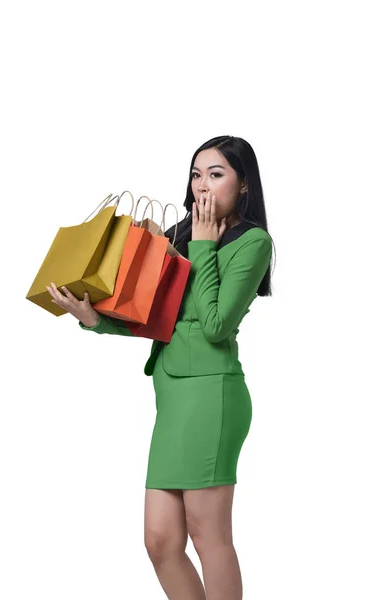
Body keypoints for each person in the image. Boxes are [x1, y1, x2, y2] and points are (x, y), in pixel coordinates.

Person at [46, 135, 274, 600]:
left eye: (216, 174)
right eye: (196, 174)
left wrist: (204, 247)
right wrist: (96, 321)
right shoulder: (181, 235)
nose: (202, 187)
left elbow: (214, 326)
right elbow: (159, 320)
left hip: (213, 397)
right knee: (161, 541)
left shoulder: (252, 243)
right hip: (173, 399)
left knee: (209, 537)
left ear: (243, 184)